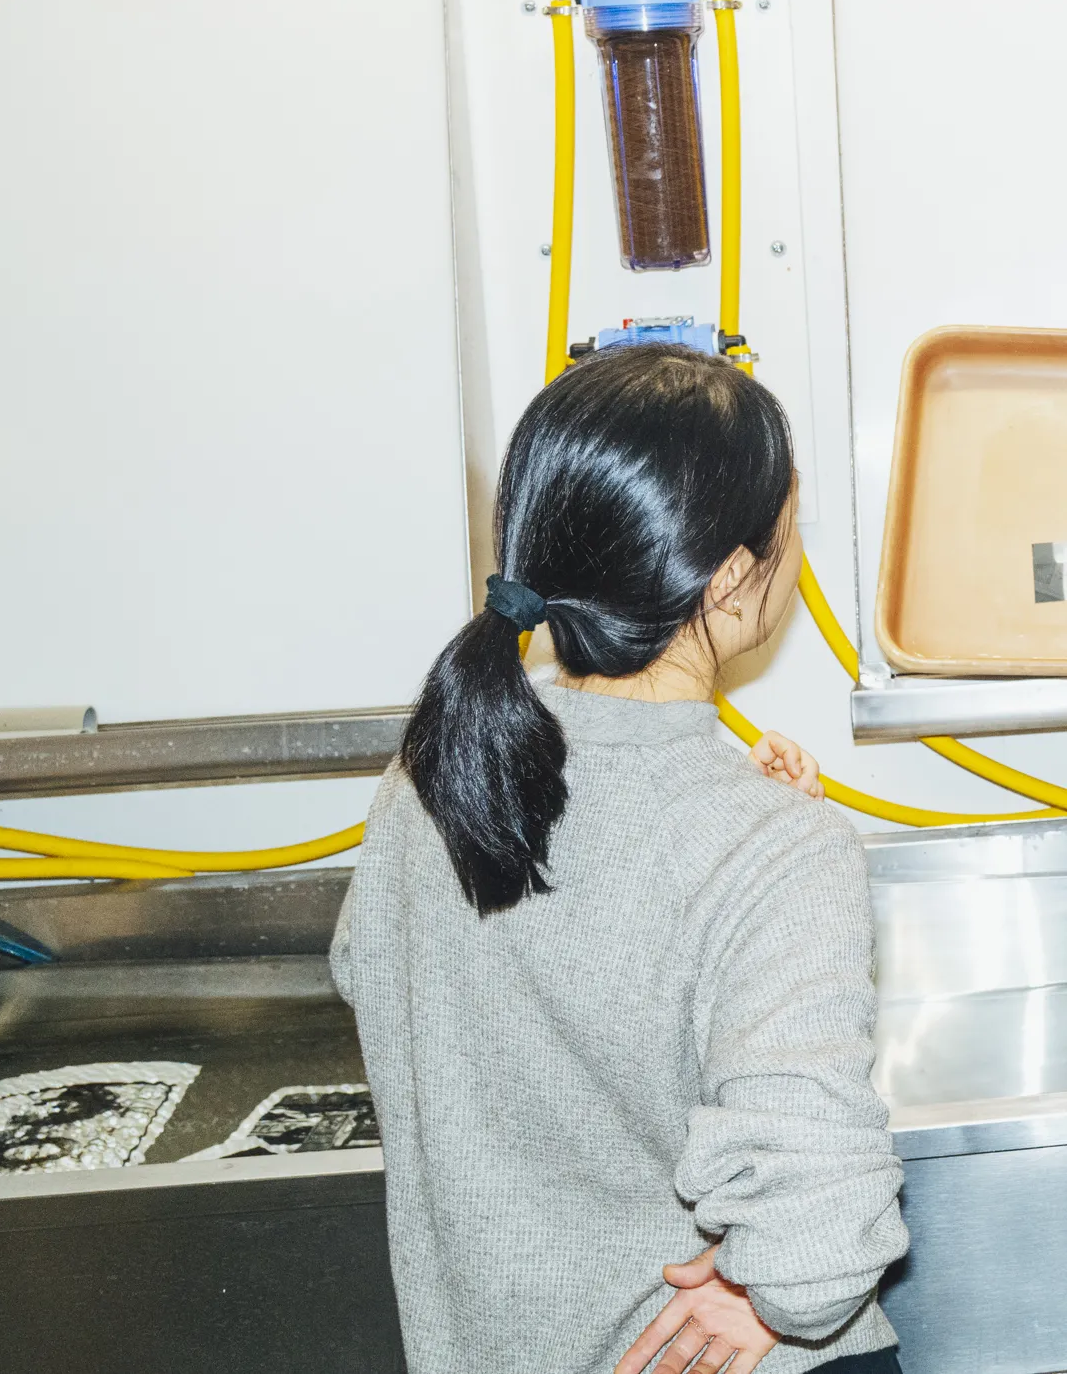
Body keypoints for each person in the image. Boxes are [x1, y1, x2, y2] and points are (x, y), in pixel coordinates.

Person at [333, 344, 906, 1374]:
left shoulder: (423, 783)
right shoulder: (767, 842)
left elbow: (378, 978)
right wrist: (775, 1295)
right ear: (732, 580)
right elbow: (818, 1239)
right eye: (790, 529)